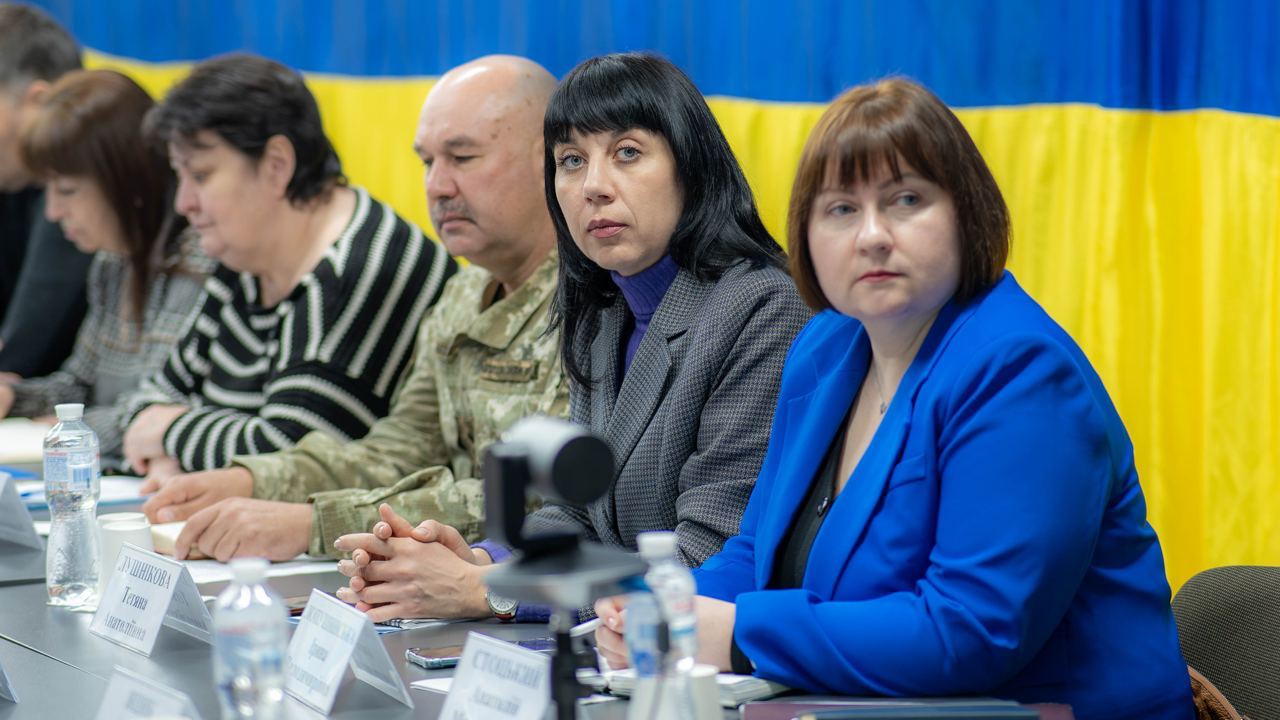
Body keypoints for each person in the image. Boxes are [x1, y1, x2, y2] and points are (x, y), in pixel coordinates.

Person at [592, 78, 1195, 718]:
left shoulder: (1020, 371)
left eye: (906, 201)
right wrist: (663, 606)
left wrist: (739, 635)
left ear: (967, 216)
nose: (872, 236)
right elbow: (758, 554)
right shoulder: (824, 347)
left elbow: (970, 630)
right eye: (840, 210)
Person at [333, 52, 811, 623]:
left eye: (627, 153)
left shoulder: (763, 310)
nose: (594, 187)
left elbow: (706, 558)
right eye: (571, 161)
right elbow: (578, 515)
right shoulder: (602, 305)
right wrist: (481, 558)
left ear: (692, 165)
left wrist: (492, 591)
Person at [139, 55, 568, 561]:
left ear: (550, 160)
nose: (437, 186)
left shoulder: (595, 300)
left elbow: (543, 500)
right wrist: (251, 480)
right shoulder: (466, 293)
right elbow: (397, 453)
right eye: (428, 163)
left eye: (463, 158)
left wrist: (314, 522)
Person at [121, 54, 456, 484]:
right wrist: (168, 450)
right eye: (180, 177)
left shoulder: (363, 267)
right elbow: (147, 400)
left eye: (200, 176)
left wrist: (171, 434)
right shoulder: (245, 254)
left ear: (277, 165)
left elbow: (292, 460)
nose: (183, 203)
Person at [0, 69, 213, 470]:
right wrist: (15, 398)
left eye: (67, 191)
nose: (53, 212)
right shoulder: (111, 263)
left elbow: (164, 410)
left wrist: (66, 430)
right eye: (47, 191)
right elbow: (79, 384)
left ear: (125, 180)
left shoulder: (200, 262)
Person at [0, 3, 94, 378]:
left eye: (66, 190)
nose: (58, 207)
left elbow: (19, 354)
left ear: (40, 101)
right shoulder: (12, 176)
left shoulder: (93, 185)